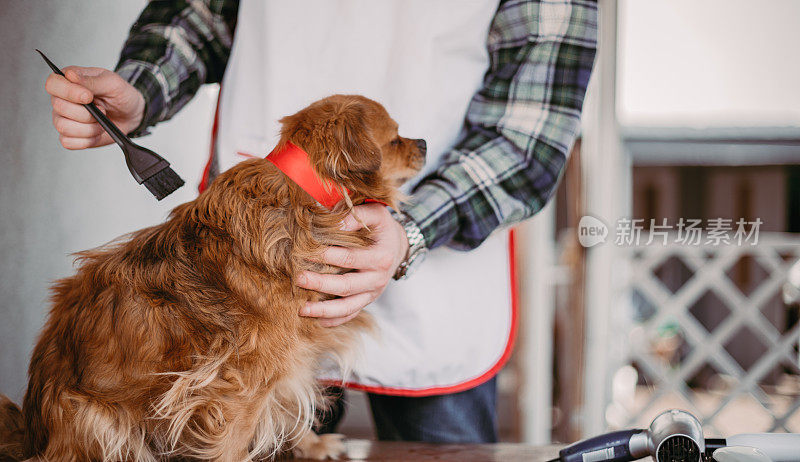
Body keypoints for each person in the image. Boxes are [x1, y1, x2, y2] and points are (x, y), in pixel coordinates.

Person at [45, 0, 597, 443]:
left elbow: (529, 136)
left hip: (436, 281)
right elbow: (198, 14)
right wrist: (142, 88)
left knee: (440, 451)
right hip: (247, 274)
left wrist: (412, 229)